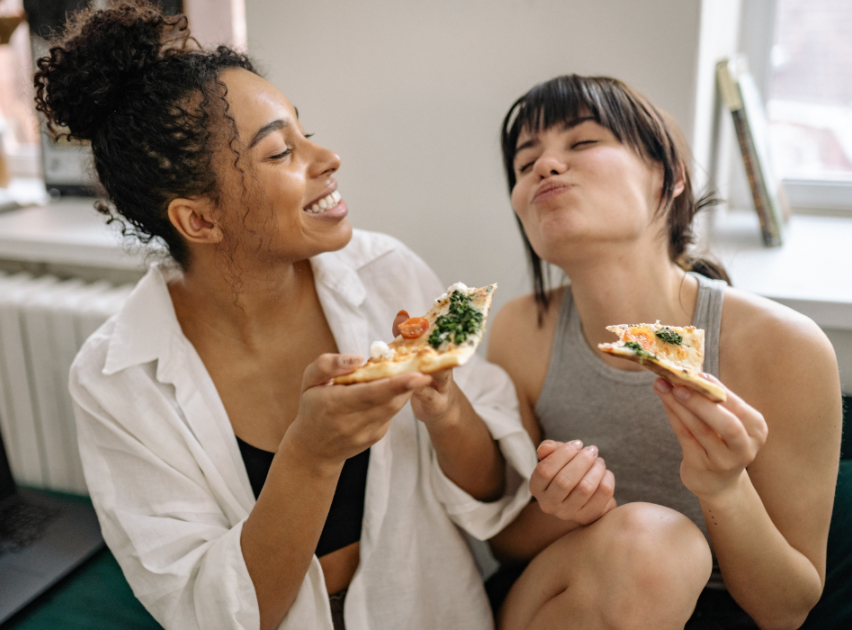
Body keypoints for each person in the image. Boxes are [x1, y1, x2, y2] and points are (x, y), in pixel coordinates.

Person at [34, 3, 536, 629]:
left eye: (306, 130)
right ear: (200, 219)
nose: (327, 158)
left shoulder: (388, 275)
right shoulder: (116, 379)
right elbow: (209, 612)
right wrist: (312, 455)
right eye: (279, 153)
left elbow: (496, 495)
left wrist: (443, 404)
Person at [485, 74, 842, 630]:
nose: (544, 167)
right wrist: (568, 513)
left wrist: (723, 488)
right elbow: (506, 545)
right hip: (561, 594)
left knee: (661, 546)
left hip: (718, 609)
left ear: (669, 178)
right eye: (525, 160)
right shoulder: (518, 330)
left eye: (582, 143)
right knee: (652, 543)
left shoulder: (784, 347)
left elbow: (787, 608)